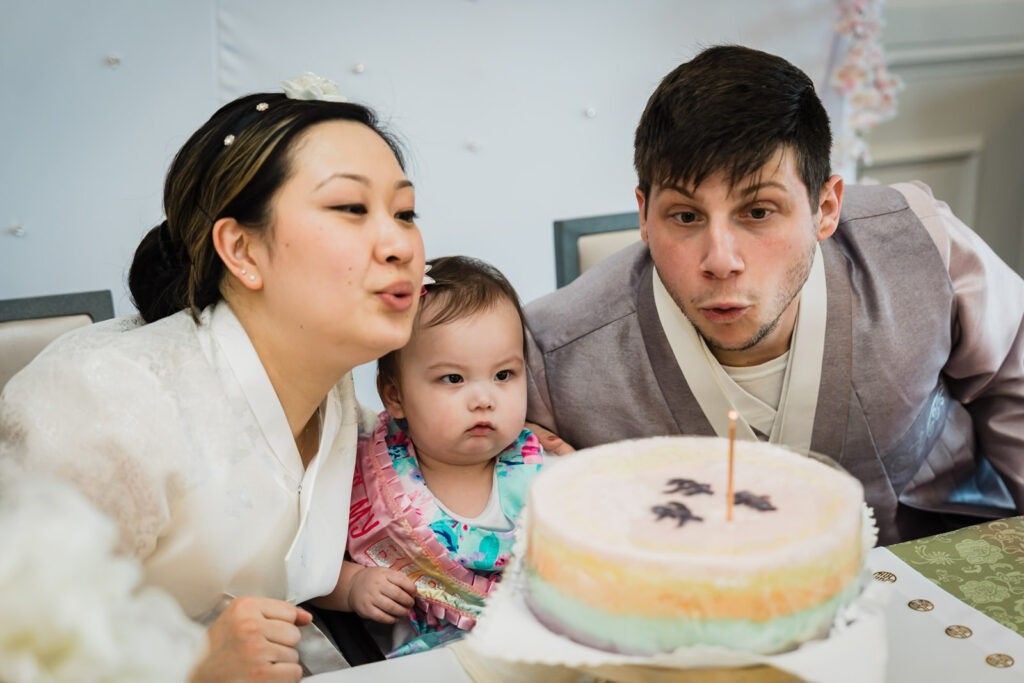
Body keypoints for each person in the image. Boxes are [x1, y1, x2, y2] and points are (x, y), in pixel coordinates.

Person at [0, 74, 425, 680]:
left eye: (405, 212)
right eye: (350, 208)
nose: (399, 244)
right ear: (242, 251)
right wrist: (193, 668)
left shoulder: (329, 392)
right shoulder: (102, 404)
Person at [524, 45, 1024, 545]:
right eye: (685, 216)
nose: (721, 259)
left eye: (759, 211)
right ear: (643, 215)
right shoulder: (553, 356)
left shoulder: (922, 247)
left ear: (825, 207)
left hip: (942, 575)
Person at [313, 255, 544, 656]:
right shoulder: (366, 475)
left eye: (504, 375)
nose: (484, 399)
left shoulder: (542, 475)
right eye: (453, 379)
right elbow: (308, 569)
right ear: (395, 395)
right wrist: (351, 586)